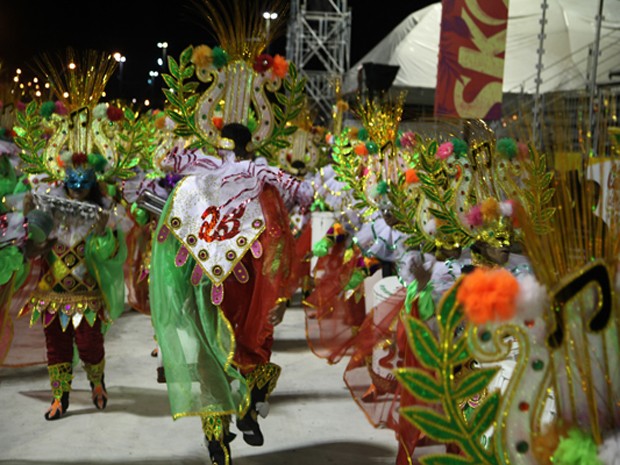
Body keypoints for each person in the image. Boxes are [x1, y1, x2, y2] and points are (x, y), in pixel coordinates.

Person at [150, 123, 311, 465]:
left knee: (224, 361)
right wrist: (277, 294)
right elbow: (276, 244)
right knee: (234, 357)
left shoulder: (200, 183)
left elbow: (275, 240)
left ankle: (226, 433)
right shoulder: (246, 184)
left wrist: (277, 296)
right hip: (232, 290)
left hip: (222, 289)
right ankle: (229, 429)